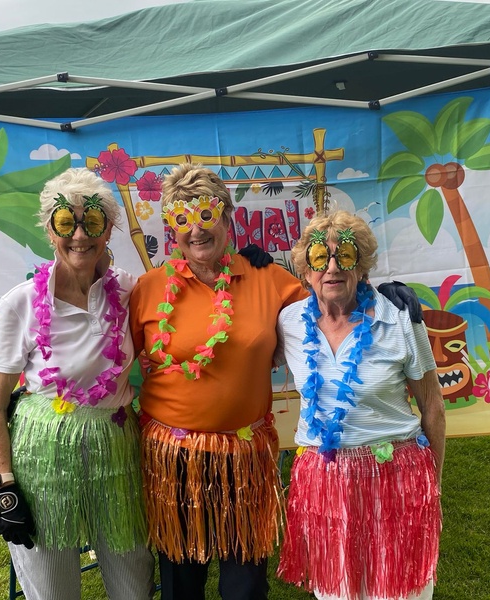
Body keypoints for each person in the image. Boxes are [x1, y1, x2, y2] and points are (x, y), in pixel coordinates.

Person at [128, 163, 307, 600]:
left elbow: (332, 301)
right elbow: (112, 360)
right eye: (182, 220)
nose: (196, 230)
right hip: (173, 459)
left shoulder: (269, 278)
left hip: (245, 456)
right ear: (171, 228)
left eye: (206, 215)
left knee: (244, 589)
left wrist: (380, 294)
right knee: (181, 585)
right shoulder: (148, 290)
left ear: (228, 218)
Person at [0, 168, 153, 600]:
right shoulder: (19, 304)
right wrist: (2, 485)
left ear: (109, 228)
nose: (80, 235)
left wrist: (241, 262)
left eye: (92, 222)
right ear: (49, 229)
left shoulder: (131, 292)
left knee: (133, 582)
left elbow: (186, 289)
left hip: (115, 448)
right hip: (43, 454)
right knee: (53, 590)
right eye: (66, 222)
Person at [276, 210, 446, 600]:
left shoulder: (399, 318)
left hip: (396, 475)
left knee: (400, 592)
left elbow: (433, 406)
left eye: (345, 256)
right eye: (320, 258)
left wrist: (431, 486)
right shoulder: (288, 322)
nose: (332, 268)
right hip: (324, 478)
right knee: (335, 592)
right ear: (306, 270)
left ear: (363, 265)